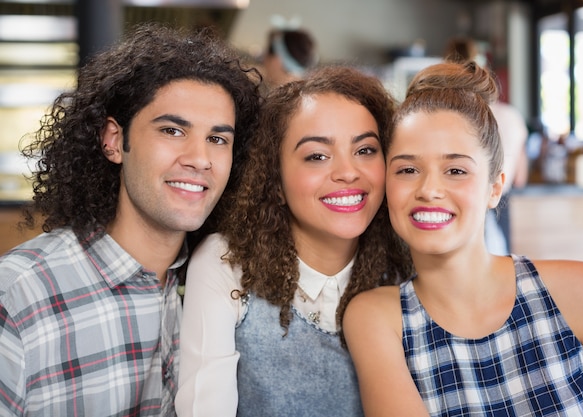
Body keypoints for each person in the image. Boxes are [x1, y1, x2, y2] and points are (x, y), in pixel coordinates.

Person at [0, 23, 261, 416]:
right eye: (172, 130)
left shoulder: (225, 283)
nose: (200, 158)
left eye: (218, 139)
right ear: (114, 141)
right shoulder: (21, 293)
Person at [343, 61, 583, 416]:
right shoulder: (377, 319)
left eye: (456, 170)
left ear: (494, 188)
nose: (429, 189)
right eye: (408, 169)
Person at [176, 65, 412, 417]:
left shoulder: (404, 265)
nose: (348, 171)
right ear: (275, 180)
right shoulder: (227, 262)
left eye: (365, 150)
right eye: (317, 156)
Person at [444, 36, 528, 254]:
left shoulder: (449, 116)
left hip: (457, 199)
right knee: (501, 270)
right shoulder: (511, 116)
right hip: (502, 204)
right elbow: (520, 178)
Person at [259, 27, 318, 92]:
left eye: (266, 54)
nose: (264, 60)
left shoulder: (261, 97)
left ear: (276, 61)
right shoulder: (312, 97)